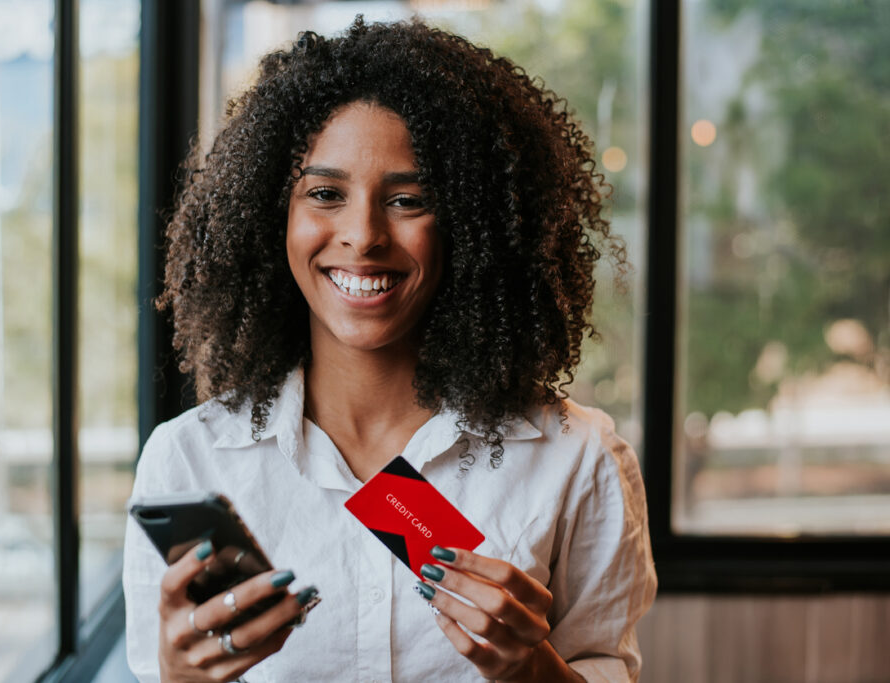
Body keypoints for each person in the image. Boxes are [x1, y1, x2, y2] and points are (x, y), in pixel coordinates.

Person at [123, 17, 656, 683]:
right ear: (272, 214)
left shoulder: (576, 457)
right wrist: (180, 677)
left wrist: (533, 670)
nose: (363, 234)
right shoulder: (190, 459)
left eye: (408, 199)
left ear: (470, 222)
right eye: (325, 194)